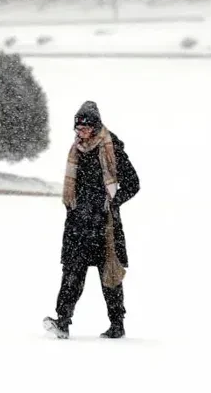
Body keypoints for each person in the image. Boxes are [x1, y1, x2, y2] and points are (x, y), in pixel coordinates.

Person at [43, 101, 140, 339]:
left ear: (95, 127)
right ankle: (63, 322)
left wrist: (113, 202)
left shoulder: (112, 148)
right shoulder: (76, 150)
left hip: (104, 223)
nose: (81, 133)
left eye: (85, 128)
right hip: (78, 223)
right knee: (72, 273)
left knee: (110, 274)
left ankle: (117, 324)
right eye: (78, 128)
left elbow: (133, 183)